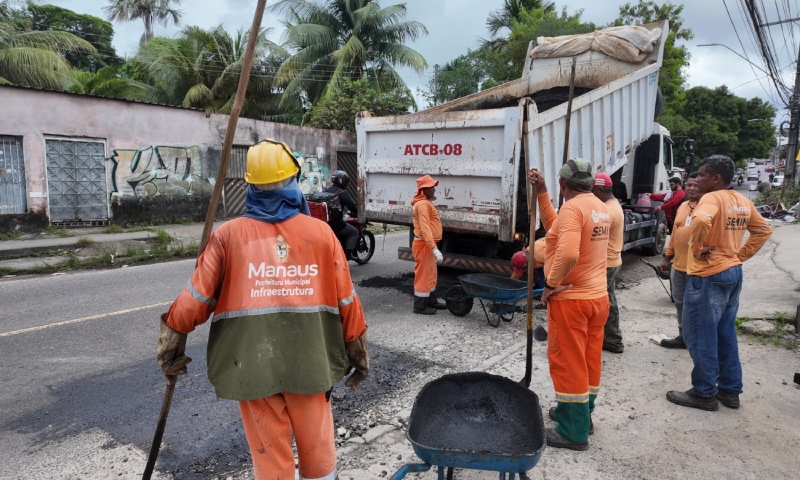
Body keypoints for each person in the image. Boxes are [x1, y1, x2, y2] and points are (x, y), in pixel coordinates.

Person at [156, 139, 369, 479]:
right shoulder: (321, 234)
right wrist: (358, 353)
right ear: (293, 182)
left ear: (252, 186)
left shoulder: (228, 236)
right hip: (311, 364)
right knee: (318, 451)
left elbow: (194, 300)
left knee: (270, 458)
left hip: (253, 366)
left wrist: (170, 344)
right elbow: (347, 301)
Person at [667, 155, 772, 411]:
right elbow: (763, 230)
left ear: (716, 178)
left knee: (700, 335)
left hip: (708, 276)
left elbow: (701, 221)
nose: (697, 179)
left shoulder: (711, 198)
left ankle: (704, 393)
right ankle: (730, 390)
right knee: (725, 333)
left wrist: (699, 246)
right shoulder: (741, 200)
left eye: (702, 175)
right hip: (732, 273)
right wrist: (738, 256)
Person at [529, 159, 610, 451]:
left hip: (572, 301)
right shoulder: (599, 206)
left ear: (564, 185)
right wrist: (542, 191)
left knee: (568, 362)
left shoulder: (573, 208)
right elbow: (556, 227)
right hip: (597, 298)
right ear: (590, 184)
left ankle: (572, 431)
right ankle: (581, 415)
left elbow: (567, 254)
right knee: (589, 360)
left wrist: (550, 285)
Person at [658, 172, 702, 349]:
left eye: (696, 185)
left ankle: (699, 338)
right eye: (689, 185)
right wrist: (667, 258)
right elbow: (675, 234)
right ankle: (684, 336)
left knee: (698, 305)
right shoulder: (684, 206)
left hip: (699, 268)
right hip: (679, 265)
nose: (691, 188)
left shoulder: (709, 206)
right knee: (680, 302)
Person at [591, 172, 625, 354]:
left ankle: (612, 340)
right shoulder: (610, 205)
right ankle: (611, 338)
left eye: (592, 191)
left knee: (605, 302)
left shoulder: (608, 211)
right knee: (608, 299)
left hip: (607, 262)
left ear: (600, 190)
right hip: (610, 260)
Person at [411, 174, 446, 314]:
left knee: (431, 273)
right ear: (423, 190)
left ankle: (431, 300)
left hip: (427, 245)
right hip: (424, 245)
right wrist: (433, 248)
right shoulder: (422, 205)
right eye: (431, 187)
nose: (434, 189)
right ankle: (420, 306)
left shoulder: (424, 203)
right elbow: (425, 228)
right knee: (424, 275)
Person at [324, 170, 359, 260]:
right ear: (342, 181)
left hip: (325, 223)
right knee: (354, 232)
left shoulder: (326, 191)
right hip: (337, 224)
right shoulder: (342, 193)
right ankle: (348, 254)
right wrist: (358, 212)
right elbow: (352, 208)